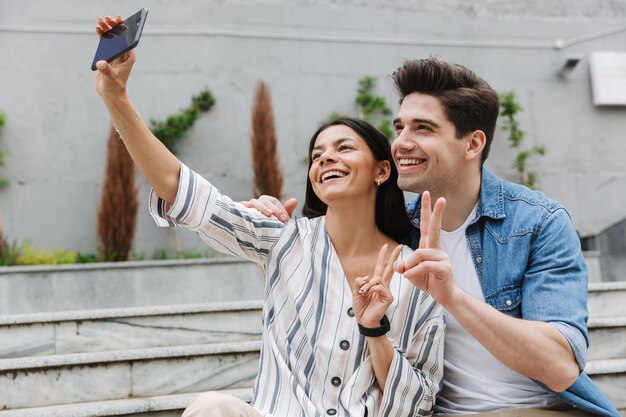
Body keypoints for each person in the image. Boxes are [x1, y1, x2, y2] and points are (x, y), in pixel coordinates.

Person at [94, 15, 445, 417]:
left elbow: (420, 401)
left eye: (344, 148)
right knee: (211, 407)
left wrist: (374, 329)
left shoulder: (416, 276)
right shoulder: (281, 239)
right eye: (317, 155)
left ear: (382, 170)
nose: (327, 156)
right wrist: (117, 100)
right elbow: (188, 196)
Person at [246, 58, 620, 417]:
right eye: (399, 128)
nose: (401, 143)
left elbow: (560, 368)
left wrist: (452, 297)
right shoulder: (394, 233)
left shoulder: (536, 223)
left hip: (539, 411)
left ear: (472, 144)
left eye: (422, 128)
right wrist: (273, 228)